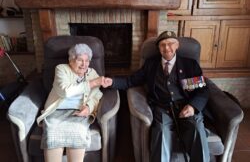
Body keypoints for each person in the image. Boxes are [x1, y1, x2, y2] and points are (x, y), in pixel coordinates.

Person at [103, 31, 210, 162]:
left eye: (170, 44)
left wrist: (193, 107)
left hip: (187, 106)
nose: (167, 48)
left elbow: (202, 90)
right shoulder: (151, 64)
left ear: (177, 45)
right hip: (163, 108)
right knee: (161, 132)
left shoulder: (190, 65)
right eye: (162, 45)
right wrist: (112, 82)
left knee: (197, 130)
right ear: (159, 48)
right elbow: (131, 81)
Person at [36, 43, 104, 162]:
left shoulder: (92, 73)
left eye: (87, 60)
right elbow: (65, 92)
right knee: (52, 132)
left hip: (78, 112)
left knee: (78, 131)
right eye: (80, 60)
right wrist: (91, 83)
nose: (84, 64)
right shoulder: (61, 69)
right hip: (56, 111)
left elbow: (97, 95)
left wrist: (88, 107)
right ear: (71, 60)